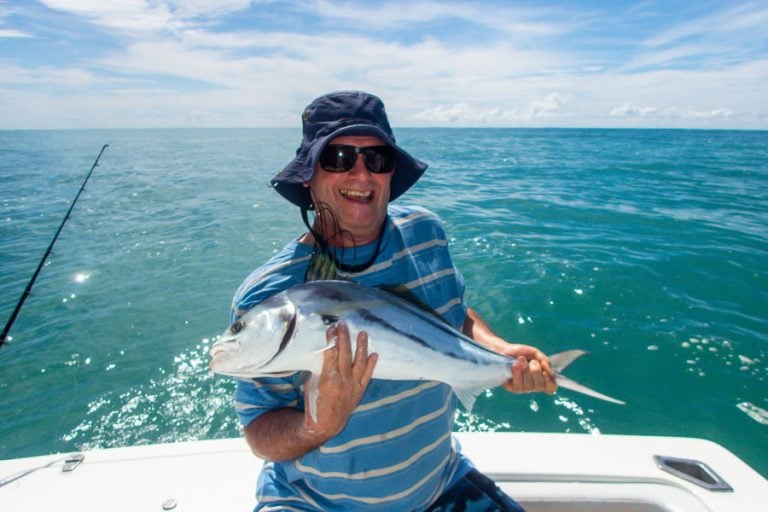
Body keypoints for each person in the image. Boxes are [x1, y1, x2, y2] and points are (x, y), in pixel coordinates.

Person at [232, 91, 557, 511]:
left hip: (442, 483)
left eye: (378, 159)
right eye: (339, 158)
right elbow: (260, 431)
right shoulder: (269, 297)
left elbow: (449, 315)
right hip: (315, 503)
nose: (362, 175)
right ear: (309, 177)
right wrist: (318, 425)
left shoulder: (426, 231)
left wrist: (497, 350)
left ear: (390, 174)